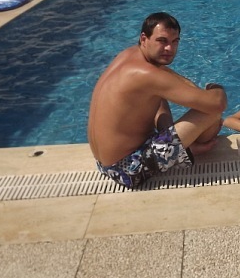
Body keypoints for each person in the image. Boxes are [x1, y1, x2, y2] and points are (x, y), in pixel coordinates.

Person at [88, 12, 227, 189]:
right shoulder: (147, 75)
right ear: (144, 38)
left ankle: (184, 147)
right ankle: (190, 146)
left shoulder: (129, 55)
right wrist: (215, 88)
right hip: (128, 170)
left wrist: (197, 94)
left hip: (104, 163)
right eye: (162, 41)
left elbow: (168, 77)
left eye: (175, 42)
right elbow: (217, 104)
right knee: (211, 114)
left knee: (157, 97)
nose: (169, 48)